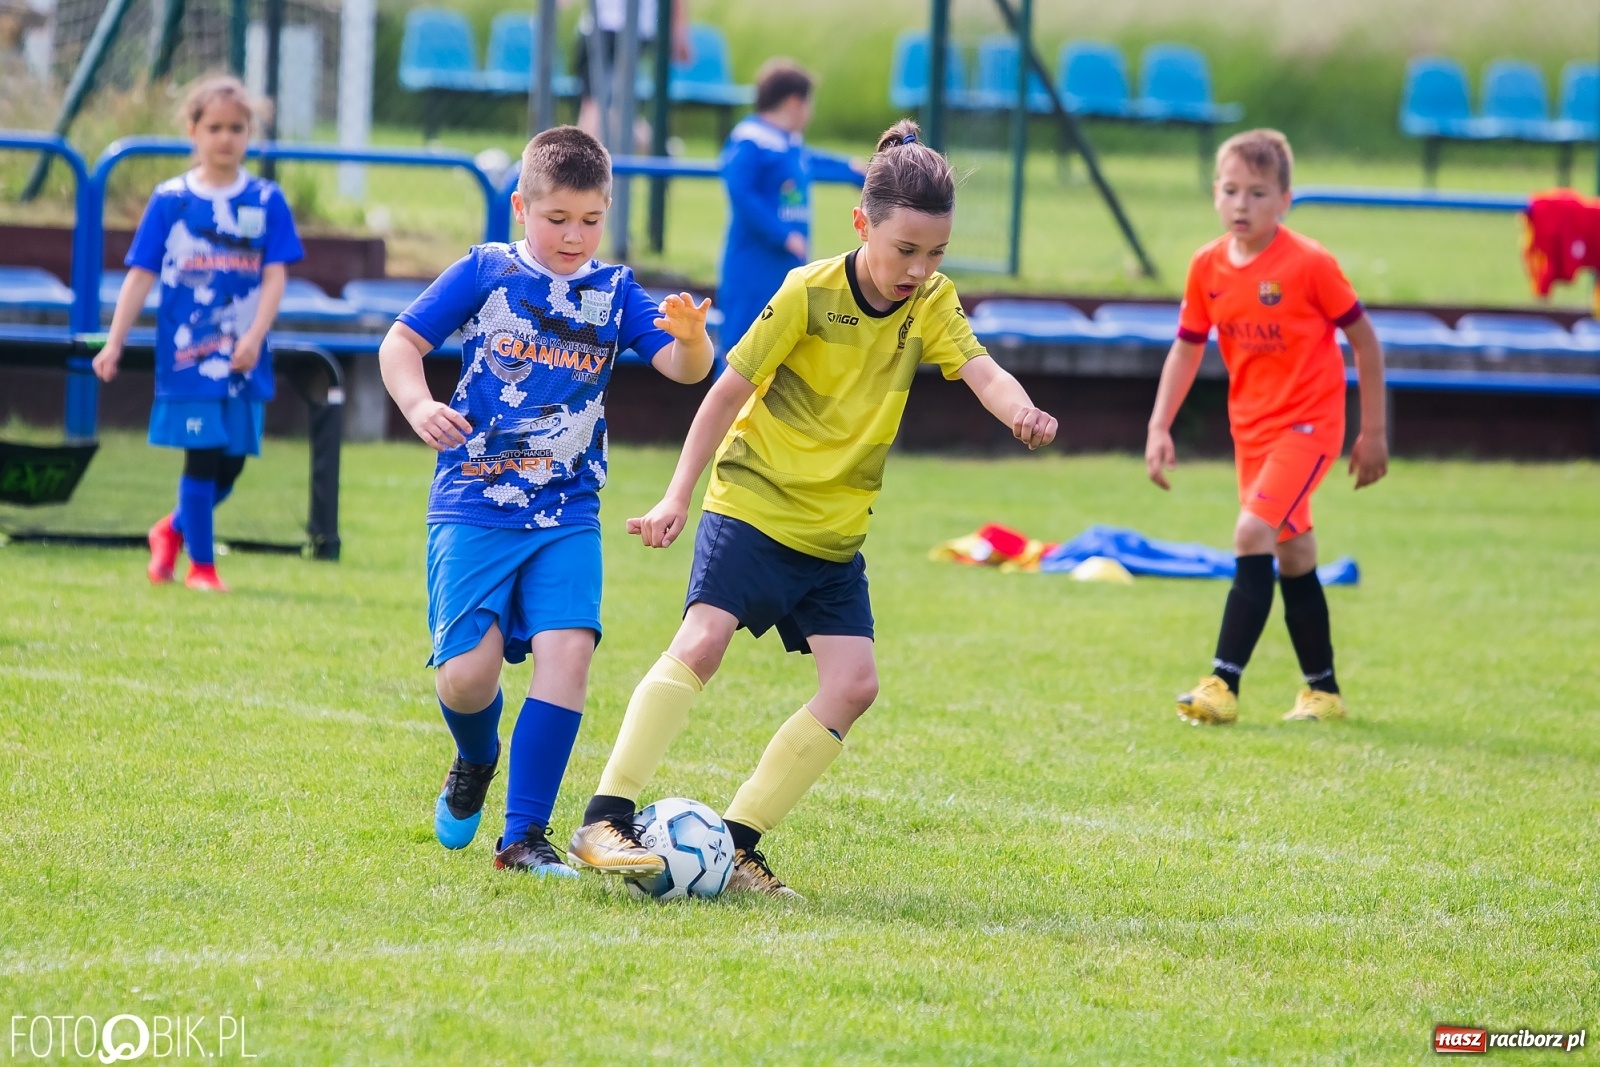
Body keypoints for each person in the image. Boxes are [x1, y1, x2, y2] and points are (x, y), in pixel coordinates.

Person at [567, 118, 1059, 898]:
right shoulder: (808, 292)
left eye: (936, 253)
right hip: (755, 499)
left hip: (834, 529)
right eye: (906, 250)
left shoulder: (931, 302)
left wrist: (1022, 412)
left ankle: (734, 845)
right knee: (703, 639)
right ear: (863, 224)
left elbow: (983, 369)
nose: (919, 269)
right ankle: (603, 816)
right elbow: (726, 391)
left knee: (853, 685)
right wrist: (676, 494)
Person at [378, 126, 713, 875]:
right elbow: (399, 343)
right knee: (467, 676)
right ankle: (474, 756)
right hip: (472, 502)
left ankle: (523, 838)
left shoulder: (616, 291)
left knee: (569, 655)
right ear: (521, 206)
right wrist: (416, 403)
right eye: (557, 218)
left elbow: (685, 370)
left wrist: (692, 340)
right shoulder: (485, 272)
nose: (574, 236)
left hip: (568, 511)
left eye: (591, 220)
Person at [1144, 128, 1388, 726]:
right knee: (1295, 551)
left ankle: (1222, 684)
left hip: (1310, 427)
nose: (1241, 204)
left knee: (1252, 534)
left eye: (1257, 192)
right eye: (1230, 190)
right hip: (1251, 432)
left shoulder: (1309, 264)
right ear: (1214, 194)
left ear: (1285, 199)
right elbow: (1185, 349)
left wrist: (1373, 431)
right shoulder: (1206, 266)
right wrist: (1159, 426)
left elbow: (1365, 341)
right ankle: (1323, 692)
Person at [92, 74, 302, 593]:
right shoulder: (170, 201)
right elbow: (140, 273)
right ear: (193, 130)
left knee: (230, 467)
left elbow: (276, 275)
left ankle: (169, 530)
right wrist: (114, 340)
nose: (225, 137)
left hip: (244, 355)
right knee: (203, 457)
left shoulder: (266, 199)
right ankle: (201, 568)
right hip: (189, 356)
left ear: (249, 132)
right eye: (214, 127)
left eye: (236, 127)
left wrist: (255, 336)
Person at [717, 59, 862, 349]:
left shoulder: (788, 142)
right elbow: (741, 192)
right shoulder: (750, 140)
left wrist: (852, 169)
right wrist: (783, 235)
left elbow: (812, 160)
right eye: (809, 104)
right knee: (741, 344)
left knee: (781, 346)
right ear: (795, 102)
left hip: (786, 265)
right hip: (753, 266)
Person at [574, 0, 689, 150]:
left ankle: (648, 140)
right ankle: (649, 139)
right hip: (610, 29)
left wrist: (679, 31)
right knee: (601, 110)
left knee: (597, 110)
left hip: (621, 29)